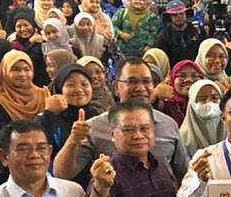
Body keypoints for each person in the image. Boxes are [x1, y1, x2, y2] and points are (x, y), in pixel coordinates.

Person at [52, 57, 189, 183]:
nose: (141, 88)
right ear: (116, 87)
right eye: (132, 82)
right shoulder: (95, 127)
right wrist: (73, 141)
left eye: (147, 81)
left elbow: (183, 173)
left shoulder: (168, 124)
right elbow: (62, 174)